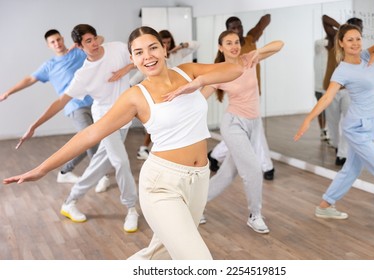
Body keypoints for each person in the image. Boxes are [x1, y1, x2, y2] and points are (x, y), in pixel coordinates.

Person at [4, 26, 243, 259]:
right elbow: (90, 134)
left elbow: (235, 70)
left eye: (153, 48)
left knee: (160, 253)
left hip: (199, 178)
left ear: (164, 49)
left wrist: (199, 82)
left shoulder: (187, 71)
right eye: (139, 53)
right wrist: (43, 168)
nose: (147, 56)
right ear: (132, 58)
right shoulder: (135, 96)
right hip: (162, 184)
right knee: (198, 260)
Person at [10, 24, 140, 232]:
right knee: (121, 161)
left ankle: (70, 202)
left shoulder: (116, 48)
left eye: (95, 38)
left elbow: (138, 58)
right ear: (79, 46)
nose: (95, 43)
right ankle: (131, 208)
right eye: (88, 41)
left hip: (124, 116)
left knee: (99, 164)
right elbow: (60, 102)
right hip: (105, 119)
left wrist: (127, 68)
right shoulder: (83, 74)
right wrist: (34, 126)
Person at [294, 24, 374, 240]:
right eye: (350, 40)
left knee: (351, 170)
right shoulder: (342, 70)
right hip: (357, 128)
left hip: (373, 124)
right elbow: (327, 97)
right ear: (341, 43)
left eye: (358, 38)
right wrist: (308, 118)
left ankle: (324, 205)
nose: (355, 43)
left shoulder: (365, 55)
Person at [200, 31, 284, 234]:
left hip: (254, 124)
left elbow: (279, 43)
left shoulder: (248, 59)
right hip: (234, 124)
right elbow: (200, 98)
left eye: (236, 42)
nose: (234, 46)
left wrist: (259, 52)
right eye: (228, 43)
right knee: (254, 170)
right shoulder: (220, 71)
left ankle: (193, 205)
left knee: (227, 174)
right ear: (221, 47)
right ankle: (255, 215)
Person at [0, 29, 108, 187]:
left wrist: (80, 44)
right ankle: (99, 176)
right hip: (73, 106)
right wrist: (8, 92)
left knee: (88, 140)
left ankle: (65, 171)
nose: (57, 43)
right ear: (48, 45)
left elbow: (100, 39)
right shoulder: (49, 66)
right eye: (52, 42)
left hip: (94, 101)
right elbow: (29, 79)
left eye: (58, 39)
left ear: (63, 39)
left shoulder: (78, 52)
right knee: (90, 138)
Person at [208, 14, 275, 180]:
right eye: (233, 29)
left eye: (239, 27)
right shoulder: (224, 61)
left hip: (253, 94)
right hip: (239, 106)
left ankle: (215, 155)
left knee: (246, 137)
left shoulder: (250, 40)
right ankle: (267, 167)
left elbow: (265, 20)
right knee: (252, 135)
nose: (237, 31)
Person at [322, 15, 374, 166]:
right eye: (355, 27)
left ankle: (342, 154)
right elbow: (325, 19)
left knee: (346, 122)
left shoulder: (361, 52)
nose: (358, 31)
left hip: (350, 92)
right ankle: (337, 147)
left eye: (360, 29)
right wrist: (344, 28)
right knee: (332, 123)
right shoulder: (335, 39)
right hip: (330, 90)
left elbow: (367, 77)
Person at [129, 29, 201, 160]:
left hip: (180, 95)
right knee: (161, 126)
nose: (166, 45)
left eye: (168, 43)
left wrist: (180, 46)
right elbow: (133, 81)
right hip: (162, 98)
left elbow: (196, 44)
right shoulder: (151, 63)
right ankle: (145, 148)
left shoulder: (178, 54)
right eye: (163, 42)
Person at [313, 37, 330, 142]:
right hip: (319, 87)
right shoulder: (319, 47)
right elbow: (319, 42)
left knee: (331, 112)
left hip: (331, 87)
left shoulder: (335, 51)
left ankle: (330, 132)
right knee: (321, 111)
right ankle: (323, 130)